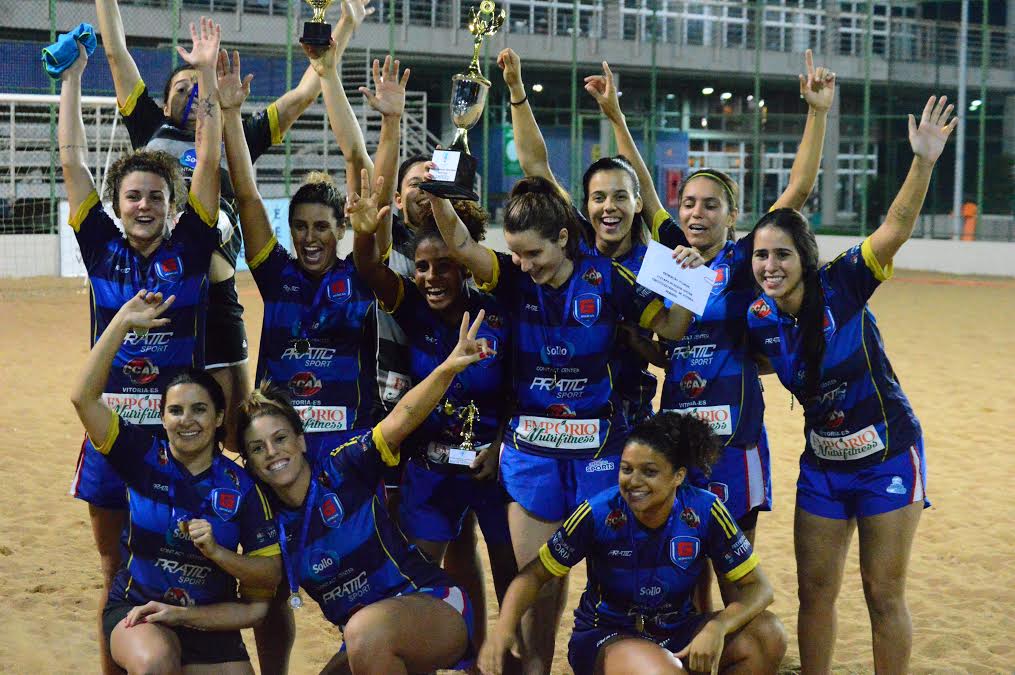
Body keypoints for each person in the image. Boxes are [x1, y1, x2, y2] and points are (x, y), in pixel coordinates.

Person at [584, 52, 835, 606]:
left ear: (732, 216)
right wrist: (615, 114)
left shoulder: (747, 260)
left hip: (736, 443)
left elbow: (795, 191)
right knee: (685, 573)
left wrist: (816, 114)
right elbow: (643, 188)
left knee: (736, 574)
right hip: (677, 444)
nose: (696, 214)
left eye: (711, 206)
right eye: (689, 203)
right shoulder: (671, 256)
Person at [427, 172, 702, 672]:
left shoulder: (607, 278)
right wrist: (441, 192)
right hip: (533, 458)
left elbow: (673, 327)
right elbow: (462, 243)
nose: (523, 264)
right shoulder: (511, 279)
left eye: (533, 254)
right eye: (515, 253)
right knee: (537, 589)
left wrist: (688, 276)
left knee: (612, 584)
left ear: (560, 238)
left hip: (600, 457)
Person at [92, 0, 376, 452]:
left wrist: (344, 24)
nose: (189, 93)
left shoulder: (236, 134)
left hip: (218, 299)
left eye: (194, 85)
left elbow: (306, 91)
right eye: (180, 88)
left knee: (235, 430)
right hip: (163, 296)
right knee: (162, 414)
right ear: (163, 101)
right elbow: (115, 53)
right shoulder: (149, 127)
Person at [745, 96, 955, 674]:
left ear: (805, 259)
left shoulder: (844, 283)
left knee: (881, 595)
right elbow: (756, 360)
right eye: (761, 255)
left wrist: (924, 162)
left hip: (887, 457)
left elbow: (896, 227)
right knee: (816, 594)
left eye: (782, 255)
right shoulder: (760, 318)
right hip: (822, 468)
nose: (769, 266)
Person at [220, 45, 405, 672]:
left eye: (322, 226)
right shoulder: (276, 278)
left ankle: (379, 649)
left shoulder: (362, 274)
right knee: (272, 583)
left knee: (359, 574)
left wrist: (388, 122)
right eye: (300, 226)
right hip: (279, 457)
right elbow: (244, 194)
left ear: (339, 227)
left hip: (346, 458)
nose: (310, 237)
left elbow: (371, 185)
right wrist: (229, 118)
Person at [60, 20, 223, 674]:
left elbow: (208, 160)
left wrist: (208, 78)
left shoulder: (189, 248)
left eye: (155, 195)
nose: (145, 204)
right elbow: (71, 162)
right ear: (120, 203)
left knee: (179, 562)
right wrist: (73, 79)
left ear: (169, 201)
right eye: (133, 195)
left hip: (177, 437)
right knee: (113, 569)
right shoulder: (99, 244)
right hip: (108, 436)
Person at [235, 311, 492, 674]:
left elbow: (403, 415)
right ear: (249, 462)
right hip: (365, 638)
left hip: (432, 604)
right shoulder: (268, 520)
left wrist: (447, 368)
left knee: (364, 633)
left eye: (279, 438)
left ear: (301, 441)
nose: (273, 452)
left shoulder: (344, 467)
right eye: (258, 448)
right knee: (362, 639)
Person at [347, 171, 518, 652]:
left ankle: (511, 659)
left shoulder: (500, 315)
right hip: (429, 470)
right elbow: (370, 270)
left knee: (510, 575)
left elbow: (519, 390)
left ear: (464, 266)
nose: (430, 277)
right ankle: (454, 657)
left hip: (493, 469)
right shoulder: (411, 306)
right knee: (422, 572)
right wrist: (364, 232)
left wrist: (502, 446)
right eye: (422, 267)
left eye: (443, 266)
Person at [70, 289, 282, 674]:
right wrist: (119, 323)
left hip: (206, 619)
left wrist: (219, 554)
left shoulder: (243, 488)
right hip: (141, 609)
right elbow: (83, 398)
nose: (187, 420)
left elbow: (266, 583)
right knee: (156, 663)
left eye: (200, 409)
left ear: (219, 418)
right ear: (162, 417)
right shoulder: (140, 455)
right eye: (176, 410)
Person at [478, 412, 786, 675]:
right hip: (609, 636)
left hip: (676, 631)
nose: (633, 481)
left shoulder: (705, 509)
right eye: (626, 469)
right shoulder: (598, 511)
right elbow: (533, 575)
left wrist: (718, 627)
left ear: (678, 476)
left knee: (767, 636)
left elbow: (759, 588)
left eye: (649, 472)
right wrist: (503, 629)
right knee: (662, 671)